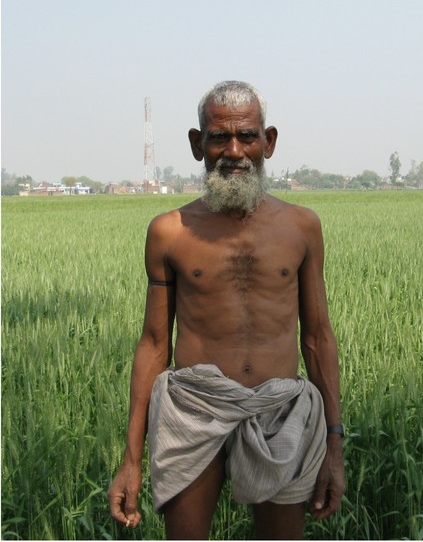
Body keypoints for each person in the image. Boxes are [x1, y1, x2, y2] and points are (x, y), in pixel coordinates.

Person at [108, 80, 345, 539]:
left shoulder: (301, 228)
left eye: (247, 136)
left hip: (281, 410)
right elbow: (155, 344)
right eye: (219, 137)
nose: (233, 151)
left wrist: (334, 446)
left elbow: (317, 337)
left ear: (268, 142)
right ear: (198, 145)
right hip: (193, 410)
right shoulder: (169, 232)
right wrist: (131, 459)